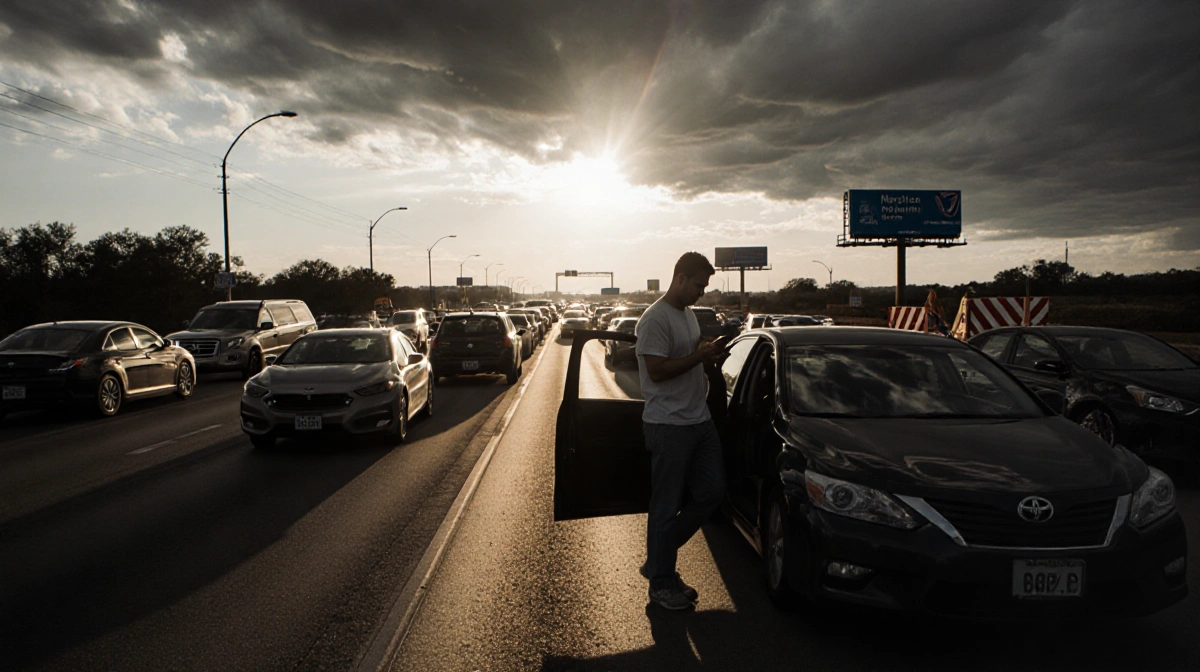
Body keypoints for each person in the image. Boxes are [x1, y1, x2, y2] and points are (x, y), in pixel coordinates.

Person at [635, 251, 726, 610]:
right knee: (665, 507)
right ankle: (660, 583)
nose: (701, 293)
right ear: (680, 277)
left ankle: (659, 559)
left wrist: (705, 351)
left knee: (713, 493)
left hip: (699, 420)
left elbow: (689, 359)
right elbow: (656, 370)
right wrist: (698, 357)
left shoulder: (687, 315)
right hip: (668, 425)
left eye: (705, 287)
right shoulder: (654, 319)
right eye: (699, 285)